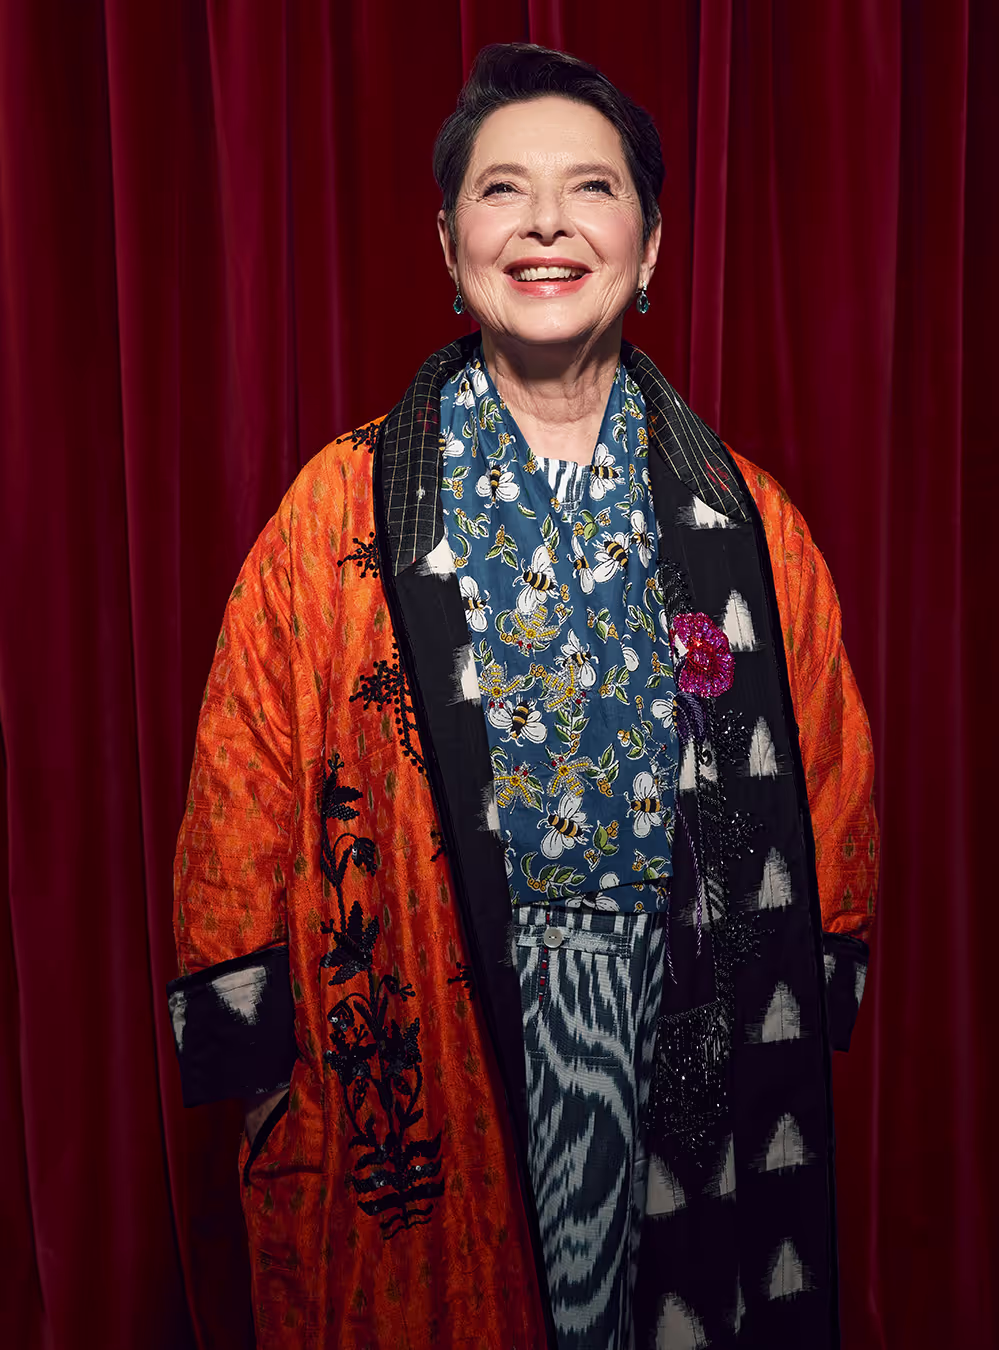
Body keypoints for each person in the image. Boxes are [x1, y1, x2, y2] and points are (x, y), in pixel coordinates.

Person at [167, 42, 878, 1350]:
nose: (547, 221)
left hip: (680, 1025)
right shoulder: (337, 509)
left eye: (590, 188)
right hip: (445, 1042)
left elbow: (822, 769)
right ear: (449, 245)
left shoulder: (749, 527)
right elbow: (242, 766)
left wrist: (812, 949)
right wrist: (253, 1030)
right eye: (505, 190)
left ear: (649, 248)